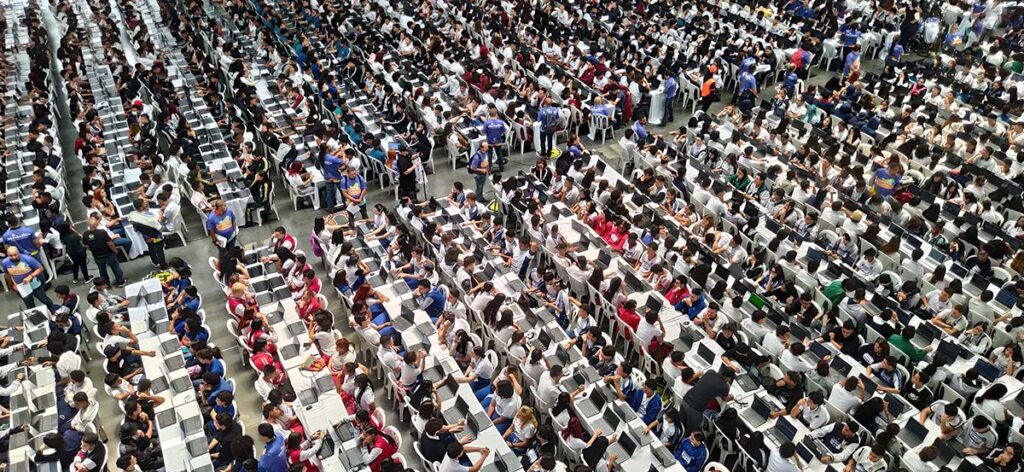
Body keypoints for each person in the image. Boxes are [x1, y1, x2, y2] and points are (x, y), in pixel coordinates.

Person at [2, 246, 58, 311]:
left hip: (33, 284)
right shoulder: (5, 262)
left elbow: (40, 268)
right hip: (21, 287)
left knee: (44, 299)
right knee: (29, 304)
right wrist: (12, 285)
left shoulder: (28, 259)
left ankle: (54, 311)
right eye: (11, 255)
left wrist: (31, 276)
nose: (14, 257)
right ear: (7, 254)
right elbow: (8, 274)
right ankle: (35, 317)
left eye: (15, 255)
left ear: (18, 252)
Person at [83, 214, 126, 286]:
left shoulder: (85, 234)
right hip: (108, 254)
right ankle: (121, 281)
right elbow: (110, 244)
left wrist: (93, 250)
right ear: (96, 224)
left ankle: (106, 284)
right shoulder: (102, 232)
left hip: (97, 256)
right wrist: (115, 251)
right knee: (115, 268)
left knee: (102, 271)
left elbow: (86, 246)